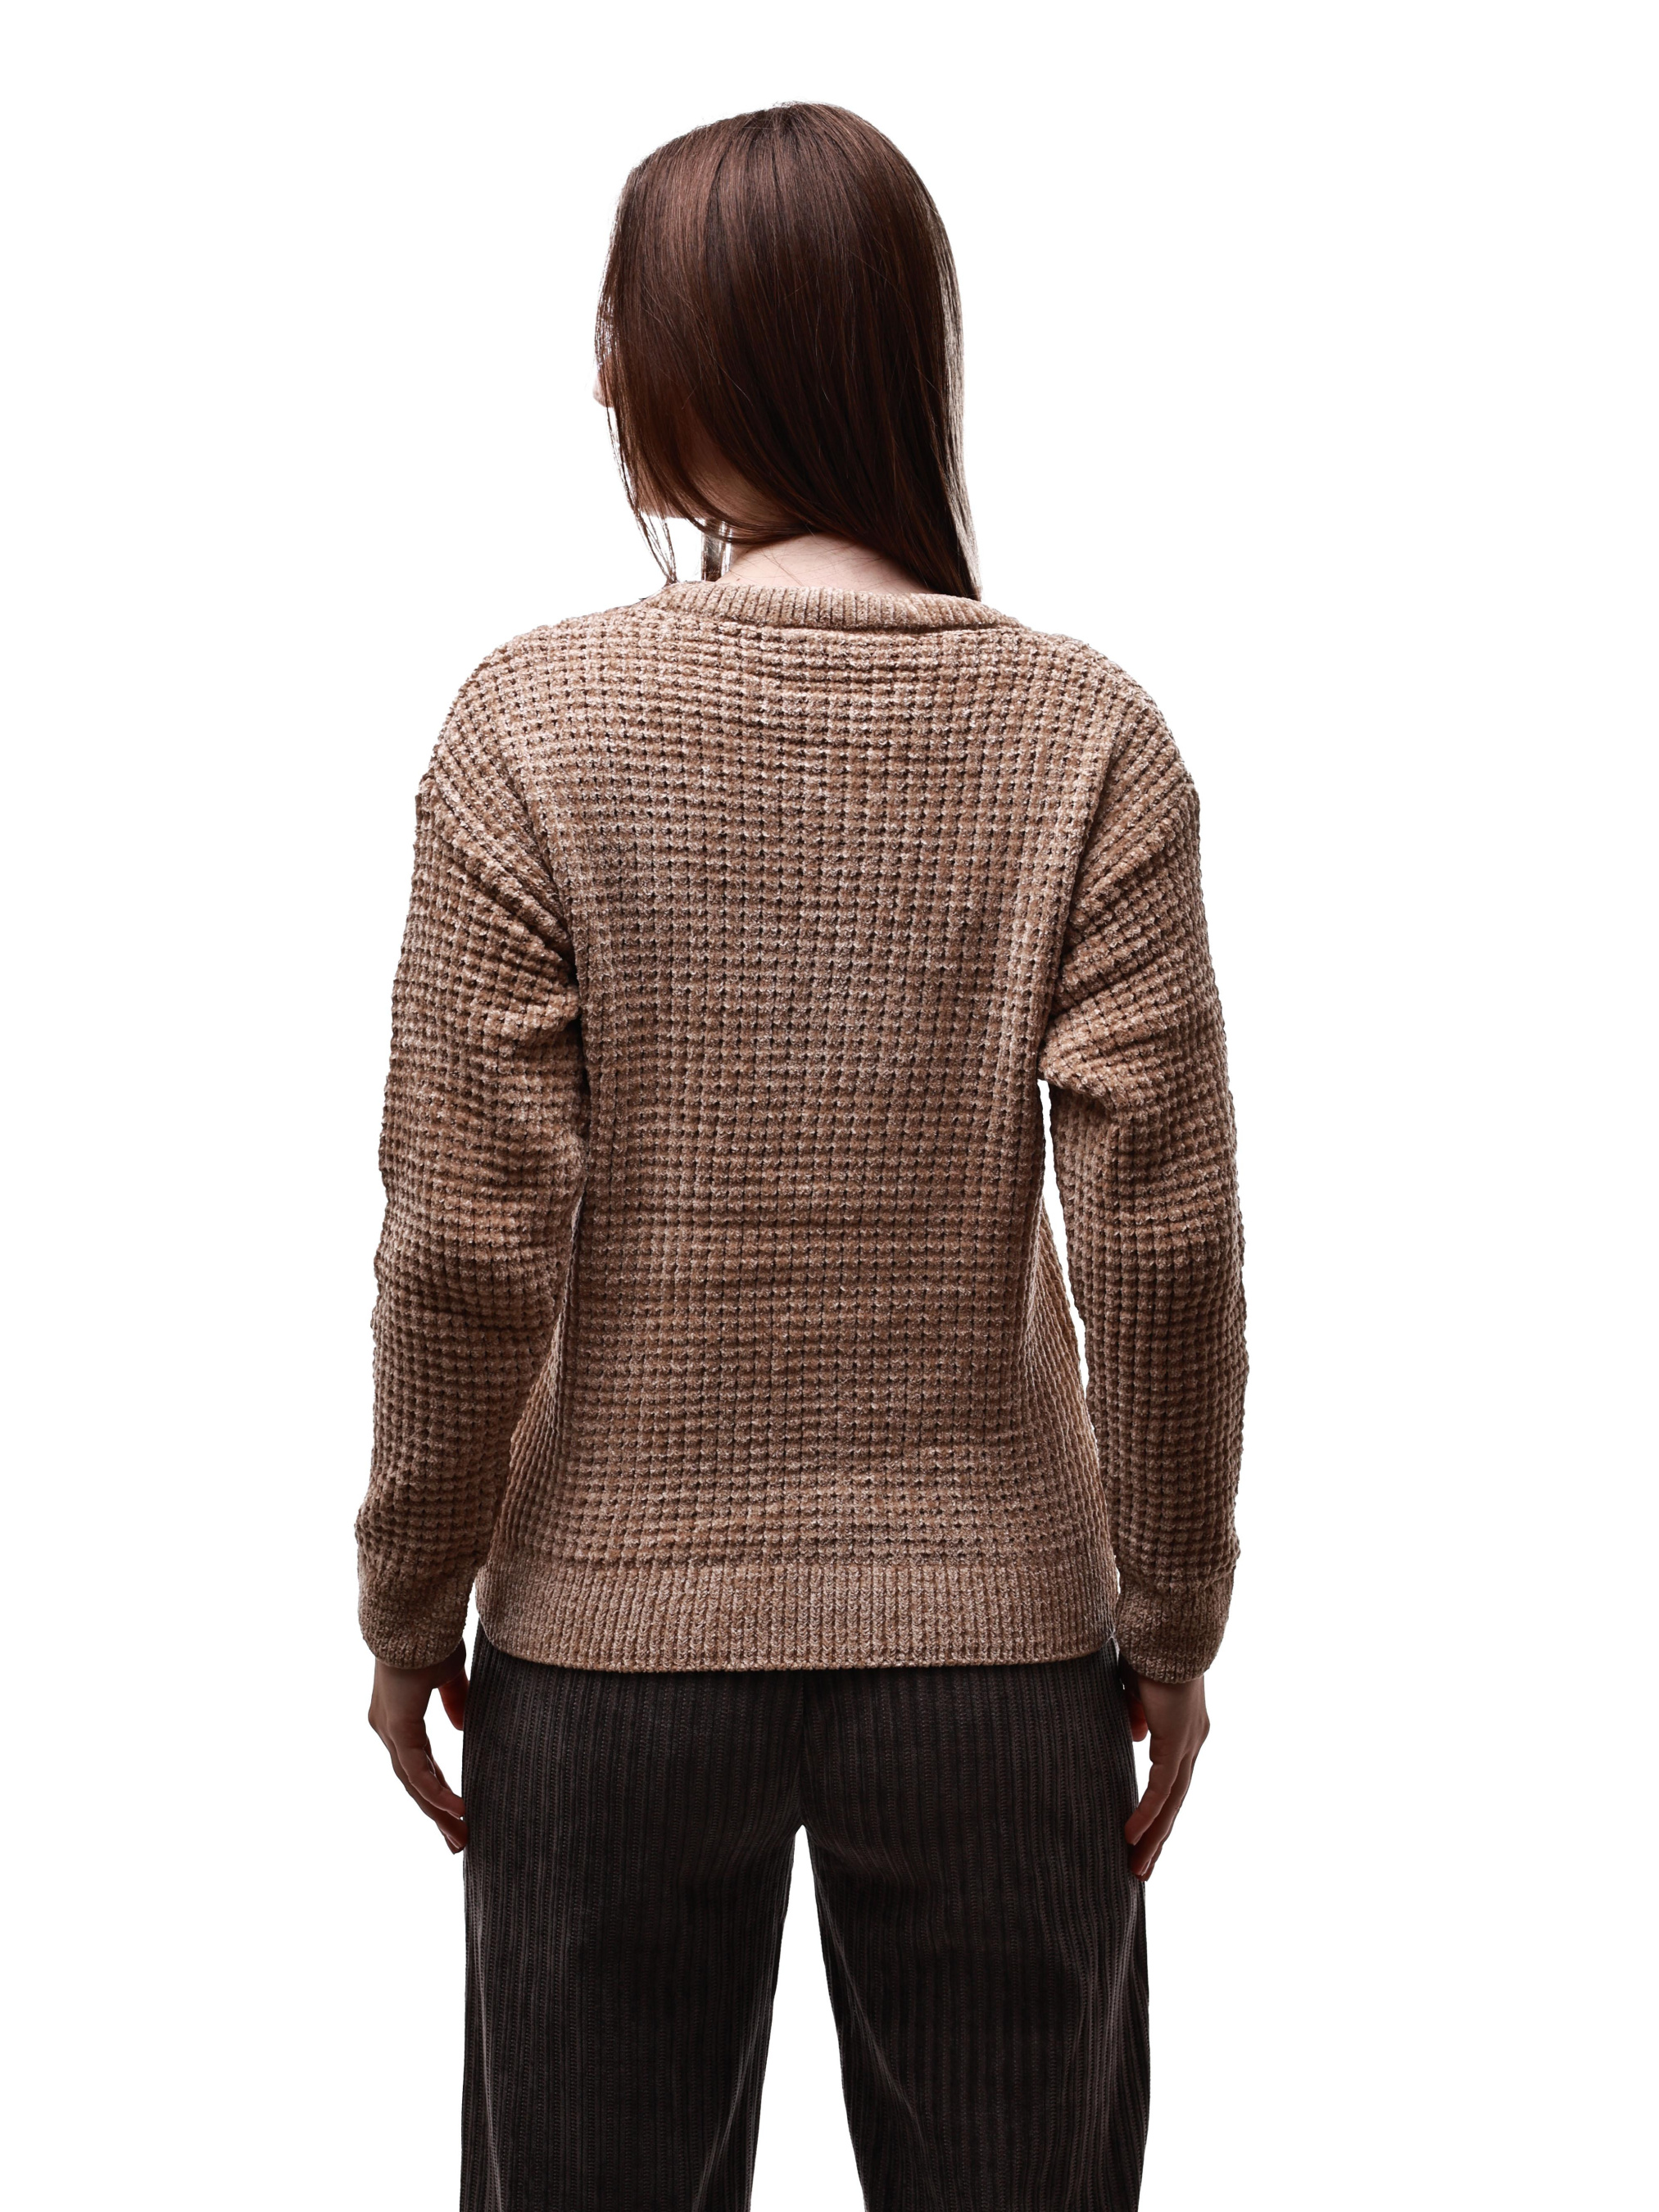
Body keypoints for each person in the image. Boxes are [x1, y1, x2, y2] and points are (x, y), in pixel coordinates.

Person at [356, 100, 1246, 2212]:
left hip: (605, 1659)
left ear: (663, 372)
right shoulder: (1087, 738)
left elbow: (464, 1242)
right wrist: (1175, 1613)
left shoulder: (530, 729)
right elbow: (1166, 1243)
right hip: (1001, 1659)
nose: (596, 376)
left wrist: (408, 1595)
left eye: (614, 334)